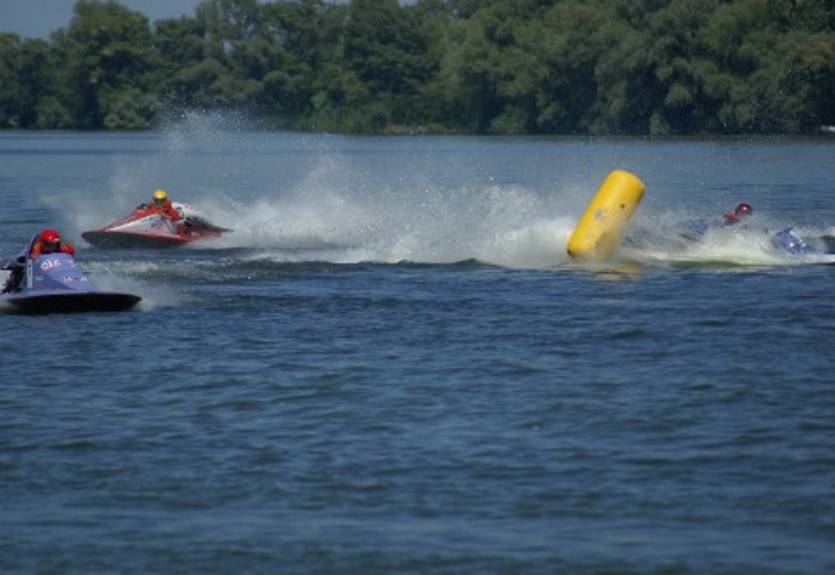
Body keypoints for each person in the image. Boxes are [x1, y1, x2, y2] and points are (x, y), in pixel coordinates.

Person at [3, 229, 75, 293]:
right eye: (50, 244)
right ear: (44, 243)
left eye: (54, 244)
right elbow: (31, 260)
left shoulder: (63, 248)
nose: (52, 247)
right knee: (20, 267)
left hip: (52, 262)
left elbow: (69, 257)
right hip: (26, 257)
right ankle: (10, 288)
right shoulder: (37, 248)